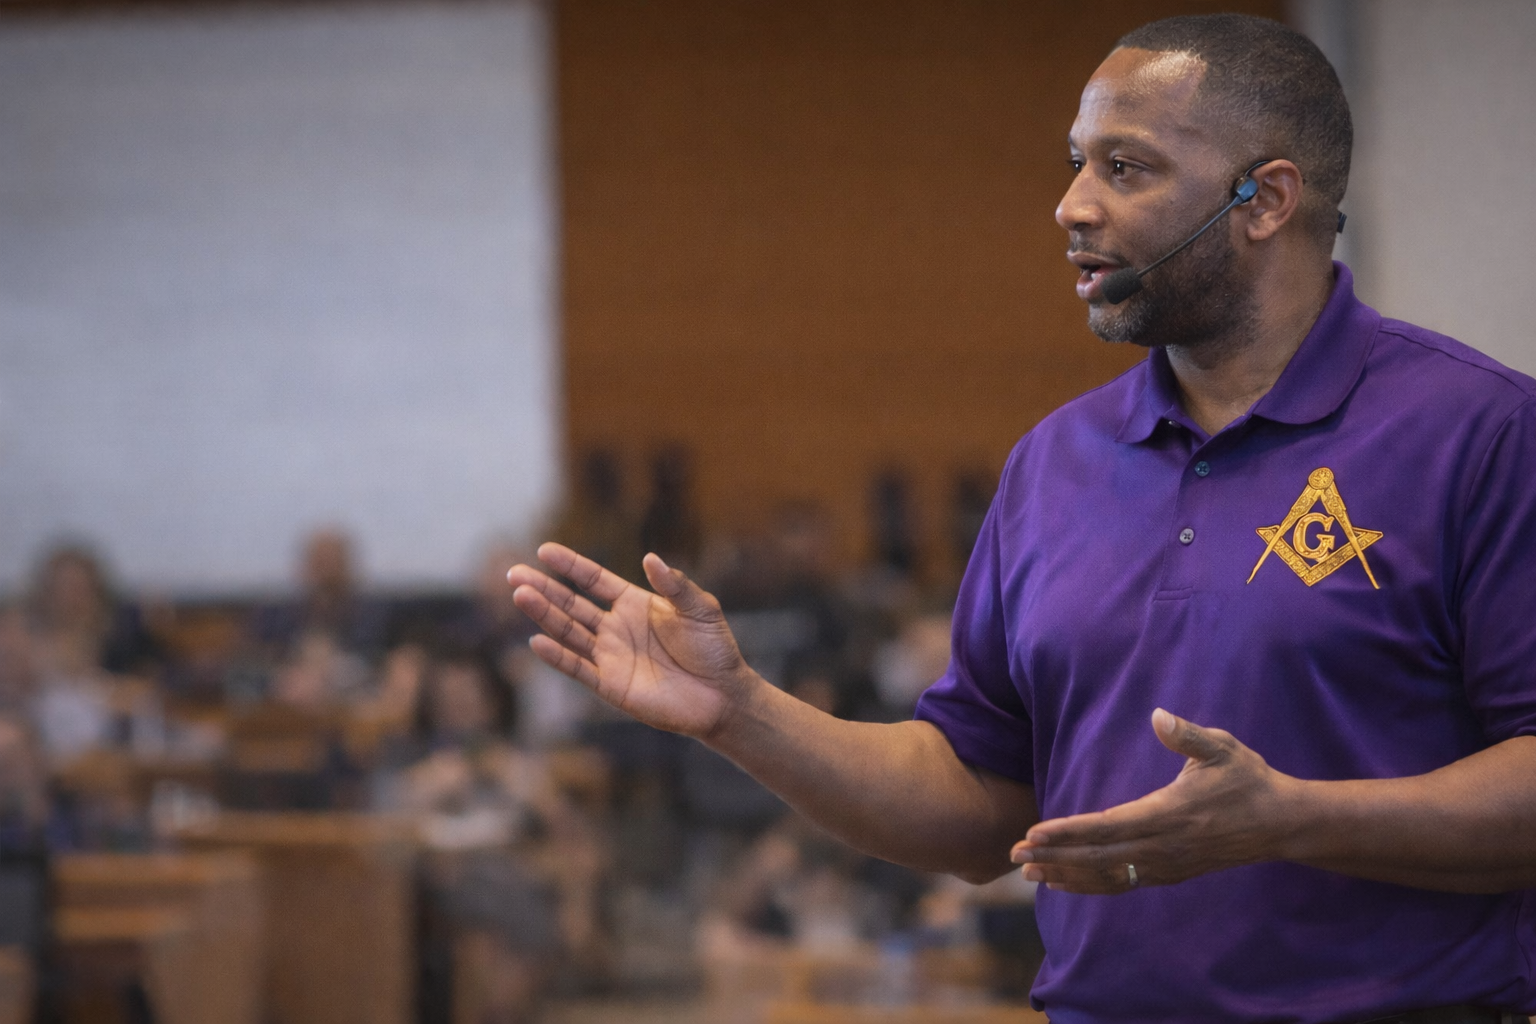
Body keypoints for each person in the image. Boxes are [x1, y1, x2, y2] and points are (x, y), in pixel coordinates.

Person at [508, 14, 1536, 1023]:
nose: (1071, 205)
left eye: (1125, 169)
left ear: (1264, 200)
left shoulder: (1477, 433)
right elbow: (975, 799)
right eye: (1076, 163)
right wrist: (741, 712)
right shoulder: (1055, 463)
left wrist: (1290, 820)